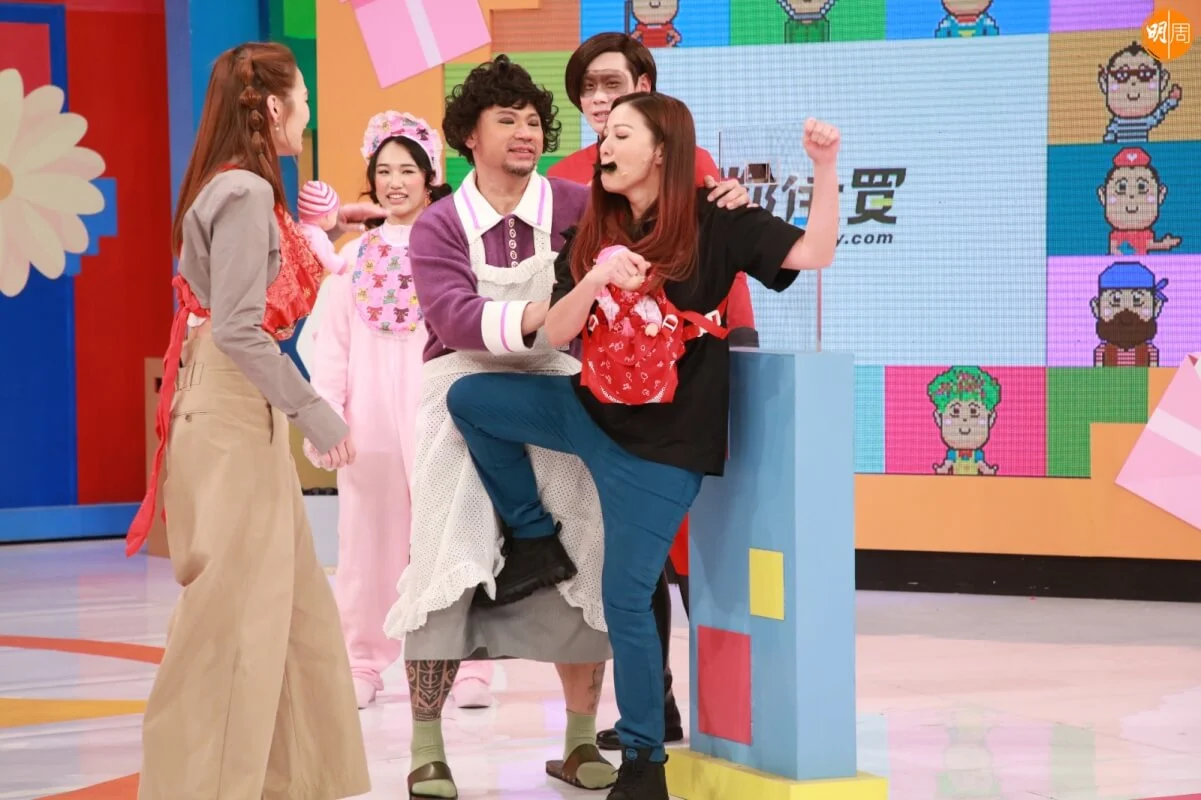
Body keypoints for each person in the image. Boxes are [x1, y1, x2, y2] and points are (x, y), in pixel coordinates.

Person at [445, 93, 841, 799]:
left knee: (626, 599)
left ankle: (643, 760)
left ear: (661, 150)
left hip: (662, 450)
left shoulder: (717, 218)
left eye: (621, 133)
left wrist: (825, 164)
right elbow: (555, 334)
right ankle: (533, 538)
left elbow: (814, 253)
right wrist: (596, 275)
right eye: (604, 134)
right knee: (471, 399)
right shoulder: (594, 227)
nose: (605, 143)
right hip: (586, 412)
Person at [381, 56, 748, 799]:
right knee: (446, 556)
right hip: (463, 388)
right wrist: (546, 317)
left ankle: (580, 739)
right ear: (469, 136)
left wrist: (720, 201)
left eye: (532, 120)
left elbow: (661, 218)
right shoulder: (441, 223)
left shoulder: (580, 201)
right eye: (506, 120)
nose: (524, 132)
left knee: (585, 557)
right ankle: (427, 748)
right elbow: (454, 318)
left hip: (565, 383)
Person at [124, 42, 380, 799]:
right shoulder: (240, 192)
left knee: (293, 613)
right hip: (232, 409)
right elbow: (239, 328)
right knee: (230, 619)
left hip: (235, 406)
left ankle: (289, 784)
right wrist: (317, 413)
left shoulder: (236, 187)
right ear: (272, 106)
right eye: (301, 97)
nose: (307, 112)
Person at [550, 30, 759, 749]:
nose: (599, 100)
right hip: (611, 390)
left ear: (646, 85)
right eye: (588, 89)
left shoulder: (687, 161)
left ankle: (730, 713)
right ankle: (658, 705)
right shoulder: (570, 175)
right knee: (636, 558)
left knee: (704, 550)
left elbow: (726, 257)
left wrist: (740, 341)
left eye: (613, 85)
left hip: (693, 378)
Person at [302, 110, 494, 711]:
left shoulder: (455, 247)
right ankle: (363, 658)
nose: (394, 182)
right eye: (383, 171)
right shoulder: (353, 256)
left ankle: (469, 662)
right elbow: (332, 346)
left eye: (407, 170)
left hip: (441, 408)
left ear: (430, 175)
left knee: (452, 532)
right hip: (371, 421)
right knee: (366, 539)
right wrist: (326, 414)